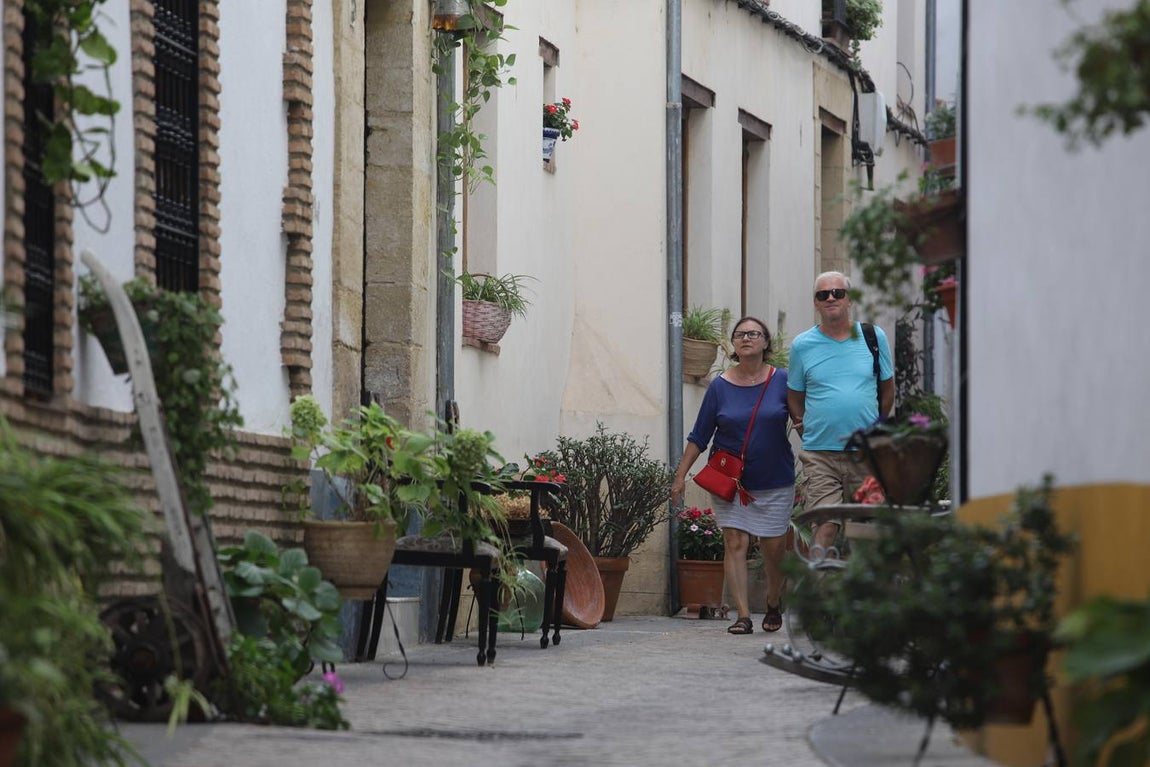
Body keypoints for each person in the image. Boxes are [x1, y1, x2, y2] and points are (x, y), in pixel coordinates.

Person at [672, 316, 795, 635]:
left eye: (754, 334)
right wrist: (680, 475)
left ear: (766, 342)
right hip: (731, 481)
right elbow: (699, 435)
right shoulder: (719, 387)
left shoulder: (782, 380)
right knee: (735, 541)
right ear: (733, 345)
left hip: (775, 479)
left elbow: (800, 421)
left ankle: (772, 601)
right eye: (740, 334)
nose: (746, 338)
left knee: (774, 549)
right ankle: (742, 615)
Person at [786, 271, 894, 557]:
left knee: (867, 530)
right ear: (816, 304)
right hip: (820, 455)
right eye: (823, 295)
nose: (831, 298)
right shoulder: (802, 345)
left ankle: (864, 596)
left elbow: (887, 390)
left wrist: (876, 429)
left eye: (838, 293)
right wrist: (804, 430)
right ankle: (818, 598)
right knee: (825, 526)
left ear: (850, 300)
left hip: (866, 455)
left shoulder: (873, 337)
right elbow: (794, 396)